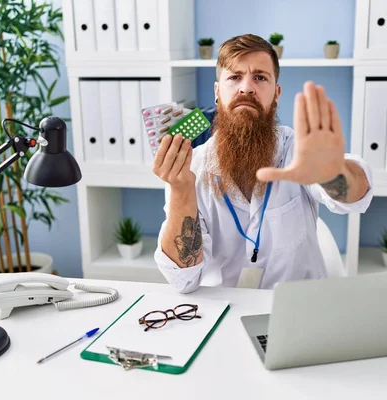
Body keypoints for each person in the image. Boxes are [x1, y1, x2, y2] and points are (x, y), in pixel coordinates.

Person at [152, 34, 373, 293]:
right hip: (223, 311)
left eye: (260, 77)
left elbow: (355, 196)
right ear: (217, 91)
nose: (246, 88)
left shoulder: (297, 150)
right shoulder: (190, 167)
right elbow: (183, 280)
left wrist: (332, 172)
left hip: (297, 310)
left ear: (276, 93)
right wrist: (181, 191)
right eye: (234, 77)